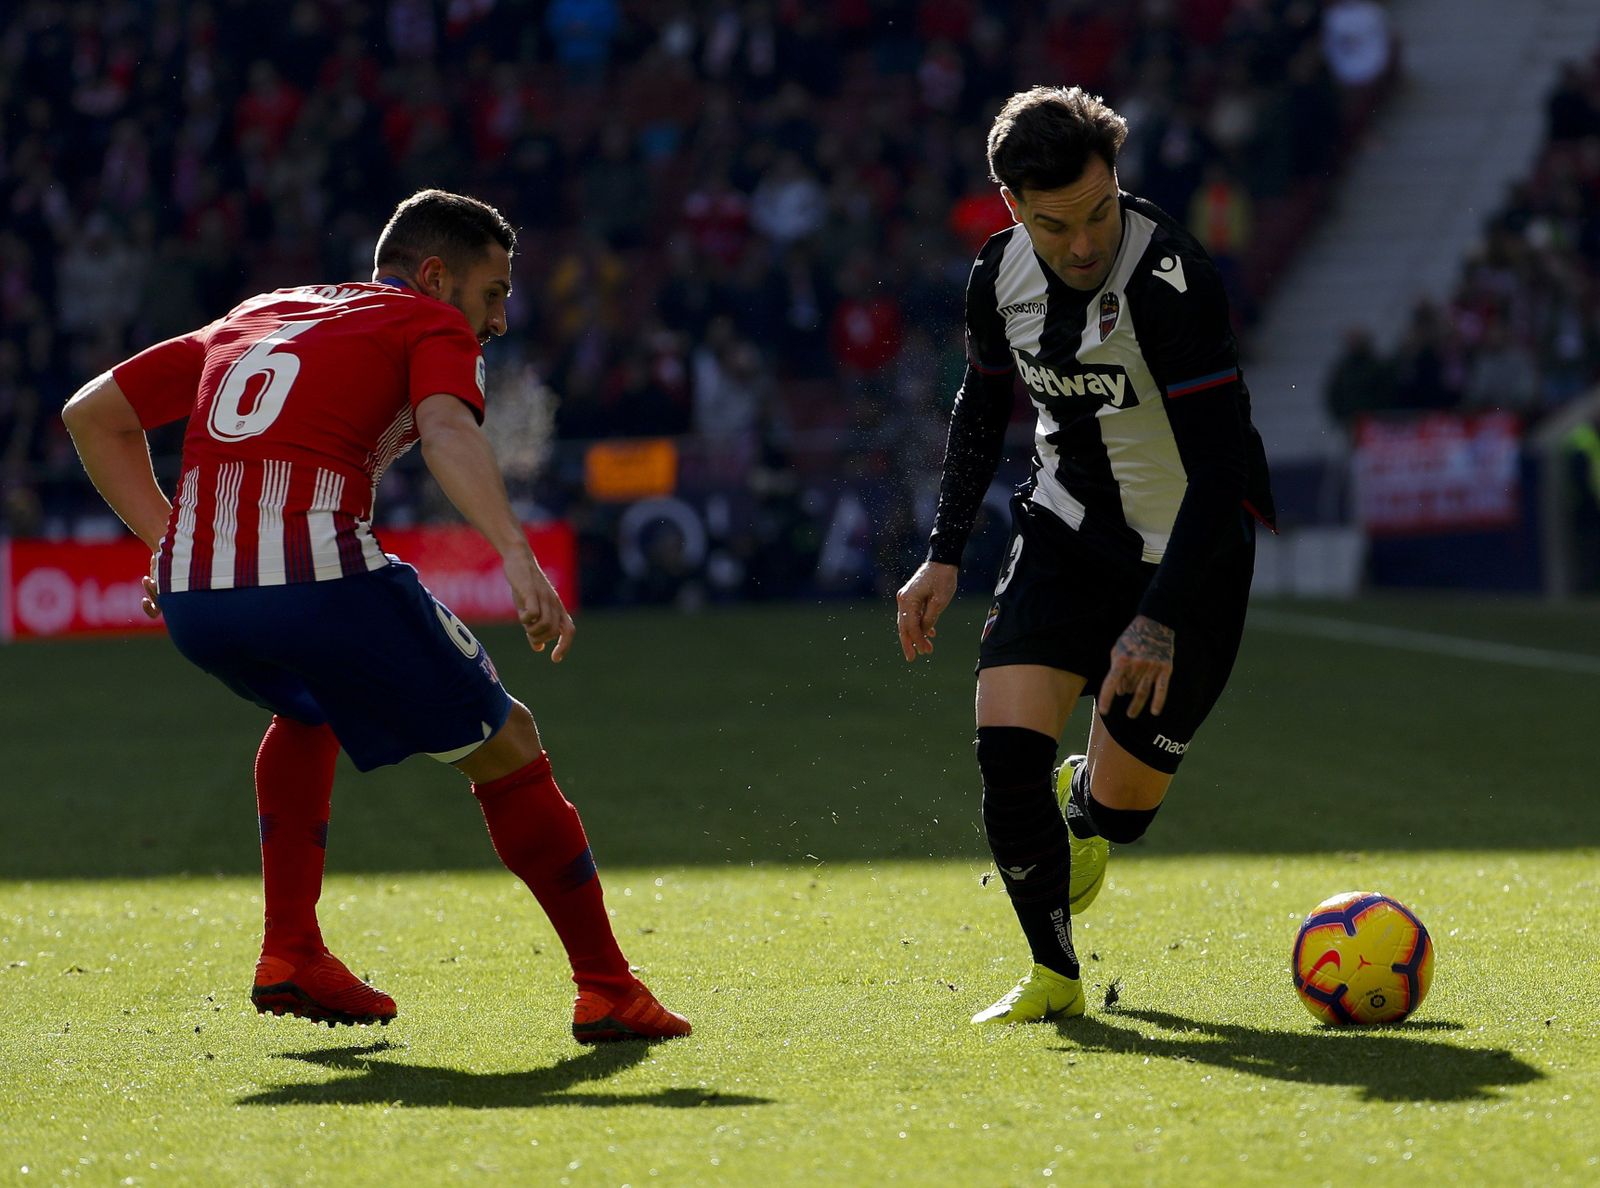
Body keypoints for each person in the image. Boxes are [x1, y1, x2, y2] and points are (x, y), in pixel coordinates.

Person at [61, 189, 690, 1044]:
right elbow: (446, 432)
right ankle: (609, 989)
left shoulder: (261, 309)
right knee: (509, 744)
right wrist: (514, 550)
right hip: (317, 576)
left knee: (307, 708)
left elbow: (91, 415)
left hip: (192, 598)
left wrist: (178, 542)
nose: (499, 318)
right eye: (494, 291)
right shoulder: (428, 325)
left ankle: (289, 950)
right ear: (435, 276)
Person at [894, 88, 1275, 1025]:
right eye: (1056, 223)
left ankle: (1091, 815)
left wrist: (1156, 618)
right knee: (1005, 751)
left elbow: (1222, 465)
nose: (1084, 241)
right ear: (1013, 208)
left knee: (1129, 807)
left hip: (1191, 553)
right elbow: (982, 408)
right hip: (1067, 531)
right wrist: (943, 554)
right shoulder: (997, 278)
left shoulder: (1170, 276)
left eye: (1100, 210)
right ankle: (1054, 972)